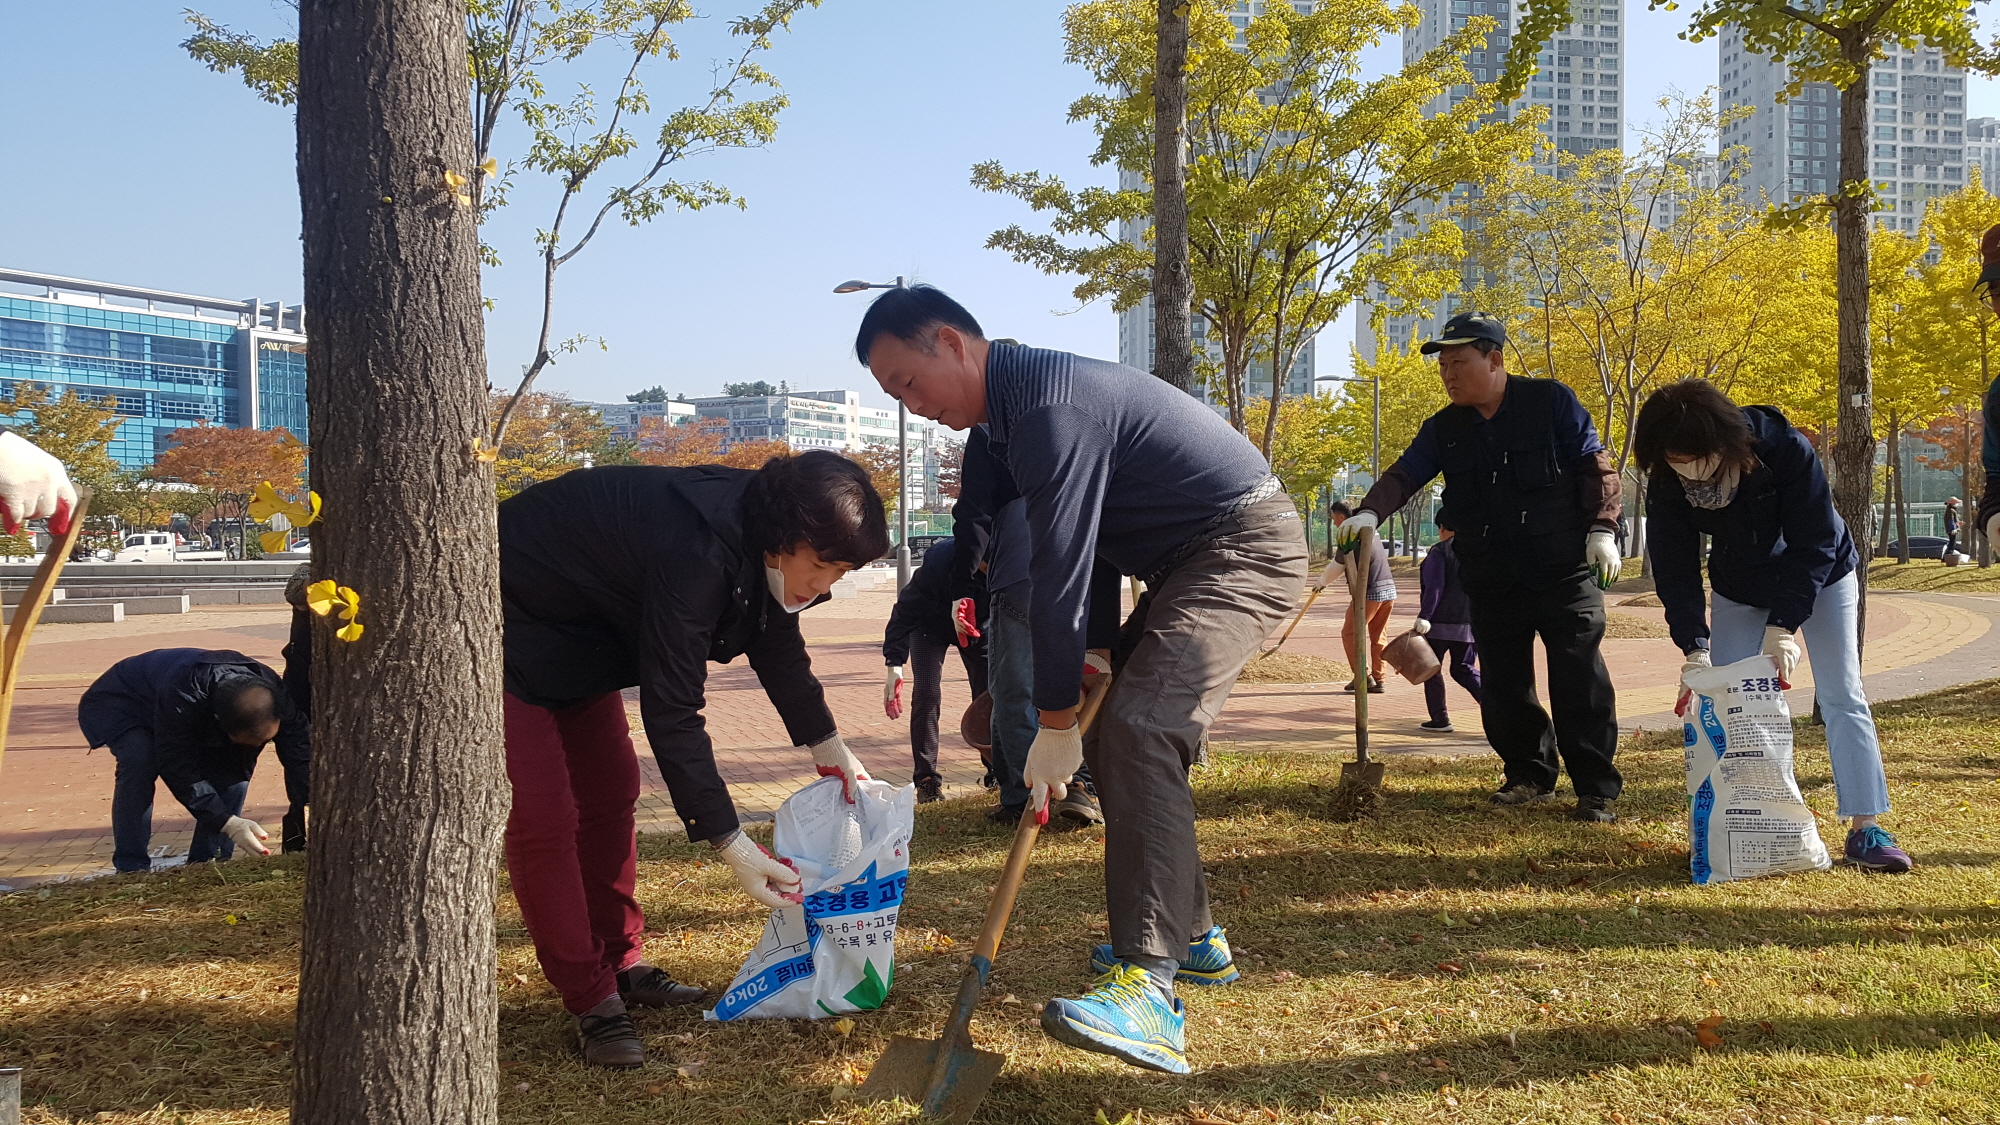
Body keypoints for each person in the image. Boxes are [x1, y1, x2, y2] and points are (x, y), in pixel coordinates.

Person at [856, 285, 1303, 1075]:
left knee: (1134, 728)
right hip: (1182, 564)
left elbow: (1059, 567)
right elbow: (1089, 541)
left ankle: (1150, 990)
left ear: (954, 344)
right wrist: (1095, 651)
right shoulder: (1008, 420)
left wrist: (1057, 718)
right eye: (892, 394)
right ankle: (1192, 939)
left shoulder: (1050, 410)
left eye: (907, 382)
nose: (910, 404)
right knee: (1124, 722)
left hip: (1242, 548)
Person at [499, 452, 887, 1068]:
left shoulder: (760, 538)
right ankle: (590, 996)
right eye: (823, 567)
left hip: (587, 641)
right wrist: (729, 840)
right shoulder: (699, 553)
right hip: (506, 630)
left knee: (613, 790)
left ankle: (620, 960)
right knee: (544, 817)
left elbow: (776, 641)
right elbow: (674, 709)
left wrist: (827, 744)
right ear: (784, 541)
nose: (825, 587)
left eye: (839, 573)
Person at [1337, 311, 1625, 822]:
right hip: (1492, 576)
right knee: (1504, 681)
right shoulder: (1445, 428)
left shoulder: (1550, 402)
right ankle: (1528, 774)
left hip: (1562, 571)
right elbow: (1405, 474)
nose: (1448, 374)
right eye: (1443, 365)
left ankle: (1596, 786)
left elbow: (1594, 466)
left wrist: (1604, 528)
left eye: (1459, 362)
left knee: (1578, 676)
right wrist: (1368, 511)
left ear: (1494, 360)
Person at [1636, 380, 1911, 873]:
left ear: (1722, 444)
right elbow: (1674, 564)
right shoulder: (1668, 479)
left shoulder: (1784, 448)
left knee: (1842, 693)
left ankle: (1865, 826)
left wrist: (1784, 625)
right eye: (1673, 460)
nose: (1686, 471)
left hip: (1821, 575)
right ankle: (1746, 826)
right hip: (1739, 585)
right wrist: (1694, 645)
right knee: (1730, 701)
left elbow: (1816, 541)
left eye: (1692, 457)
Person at [78, 649, 307, 872]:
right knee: (141, 761)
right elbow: (178, 767)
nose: (258, 747)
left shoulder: (276, 697)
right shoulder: (184, 695)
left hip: (182, 704)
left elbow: (299, 749)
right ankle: (131, 866)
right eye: (250, 741)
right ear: (218, 723)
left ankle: (208, 864)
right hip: (126, 701)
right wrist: (227, 822)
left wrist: (309, 800)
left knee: (234, 777)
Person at [882, 537, 989, 802]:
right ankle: (926, 779)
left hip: (977, 626)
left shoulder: (1006, 565)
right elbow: (904, 612)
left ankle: (997, 770)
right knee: (927, 693)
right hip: (929, 626)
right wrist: (894, 665)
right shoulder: (939, 564)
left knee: (990, 694)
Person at [1414, 515, 1482, 733]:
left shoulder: (1440, 551)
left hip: (1439, 624)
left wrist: (1425, 616)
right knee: (1464, 669)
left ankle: (1440, 718)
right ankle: (1498, 710)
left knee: (1431, 669)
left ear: (1442, 527)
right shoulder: (1477, 549)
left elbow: (1435, 586)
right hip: (1471, 623)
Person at [1322, 501, 1396, 693]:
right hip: (1388, 589)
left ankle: (1363, 676)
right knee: (1378, 636)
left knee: (1350, 633)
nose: (1334, 524)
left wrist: (1320, 583)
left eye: (1333, 519)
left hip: (1368, 591)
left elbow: (1338, 565)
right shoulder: (1370, 527)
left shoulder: (1351, 532)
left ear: (1339, 516)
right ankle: (1379, 678)